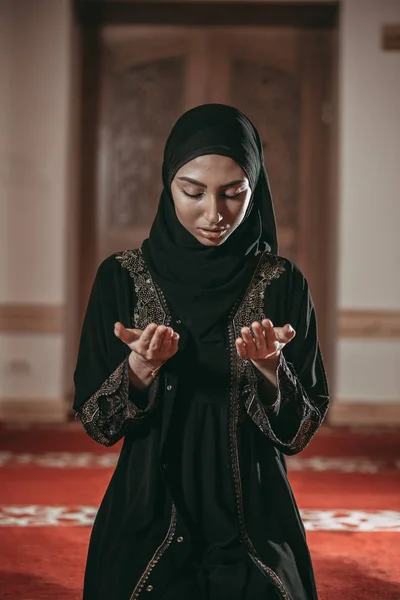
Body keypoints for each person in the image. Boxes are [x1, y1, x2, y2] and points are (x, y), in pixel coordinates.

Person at [73, 103, 329, 600]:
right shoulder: (121, 277)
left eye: (235, 194)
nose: (214, 214)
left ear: (255, 191)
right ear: (168, 186)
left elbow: (300, 431)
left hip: (256, 512)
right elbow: (97, 423)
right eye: (193, 192)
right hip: (147, 504)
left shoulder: (282, 282)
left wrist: (271, 368)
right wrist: (139, 369)